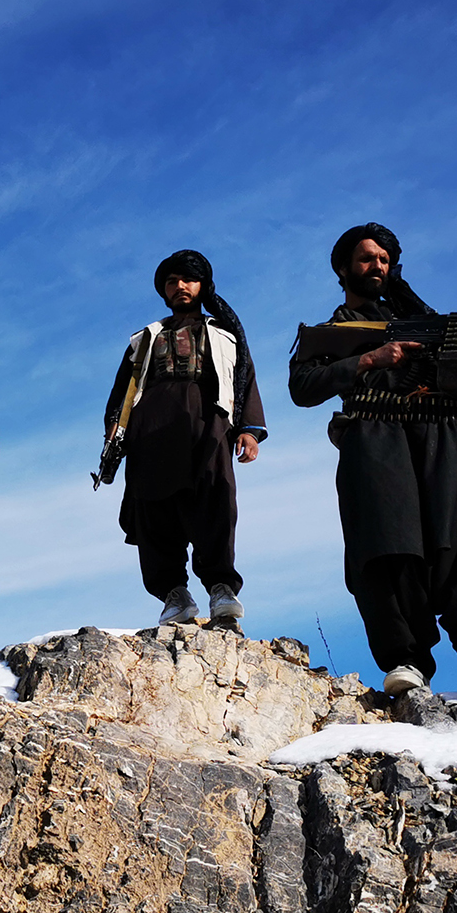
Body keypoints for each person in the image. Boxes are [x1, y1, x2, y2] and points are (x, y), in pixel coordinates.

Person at [287, 223, 457, 696]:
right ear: (343, 268)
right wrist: (370, 360)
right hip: (376, 443)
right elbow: (303, 387)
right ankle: (406, 659)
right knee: (387, 546)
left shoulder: (430, 321)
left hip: (451, 438)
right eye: (366, 258)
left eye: (384, 259)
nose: (377, 266)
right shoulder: (334, 332)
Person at [104, 249, 267, 629]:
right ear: (163, 289)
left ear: (203, 285)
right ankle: (173, 595)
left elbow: (245, 380)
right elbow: (123, 390)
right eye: (172, 281)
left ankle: (221, 589)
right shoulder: (145, 339)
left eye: (188, 279)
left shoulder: (226, 335)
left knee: (216, 504)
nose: (180, 286)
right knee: (154, 512)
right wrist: (115, 426)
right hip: (150, 433)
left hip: (208, 427)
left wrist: (248, 429)